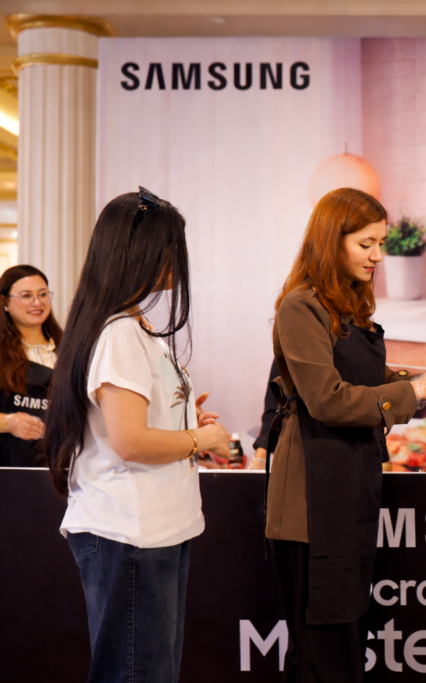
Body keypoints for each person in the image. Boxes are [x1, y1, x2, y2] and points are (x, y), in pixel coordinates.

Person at [265, 187, 426, 682]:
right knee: (323, 657)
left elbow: (368, 381)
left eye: (380, 243)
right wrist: (422, 388)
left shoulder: (346, 307)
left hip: (349, 494)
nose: (377, 256)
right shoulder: (301, 307)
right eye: (366, 244)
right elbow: (328, 399)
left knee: (344, 649)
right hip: (312, 507)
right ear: (331, 240)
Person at [44, 188, 231, 683]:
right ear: (140, 251)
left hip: (150, 529)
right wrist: (204, 441)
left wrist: (182, 418)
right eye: (171, 248)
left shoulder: (129, 326)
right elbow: (129, 442)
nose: (178, 260)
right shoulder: (120, 332)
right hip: (130, 532)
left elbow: (130, 426)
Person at [0, 265, 61, 466]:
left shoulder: (68, 349)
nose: (38, 302)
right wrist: (9, 423)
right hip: (9, 467)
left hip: (59, 464)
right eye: (26, 296)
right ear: (5, 303)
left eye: (43, 294)